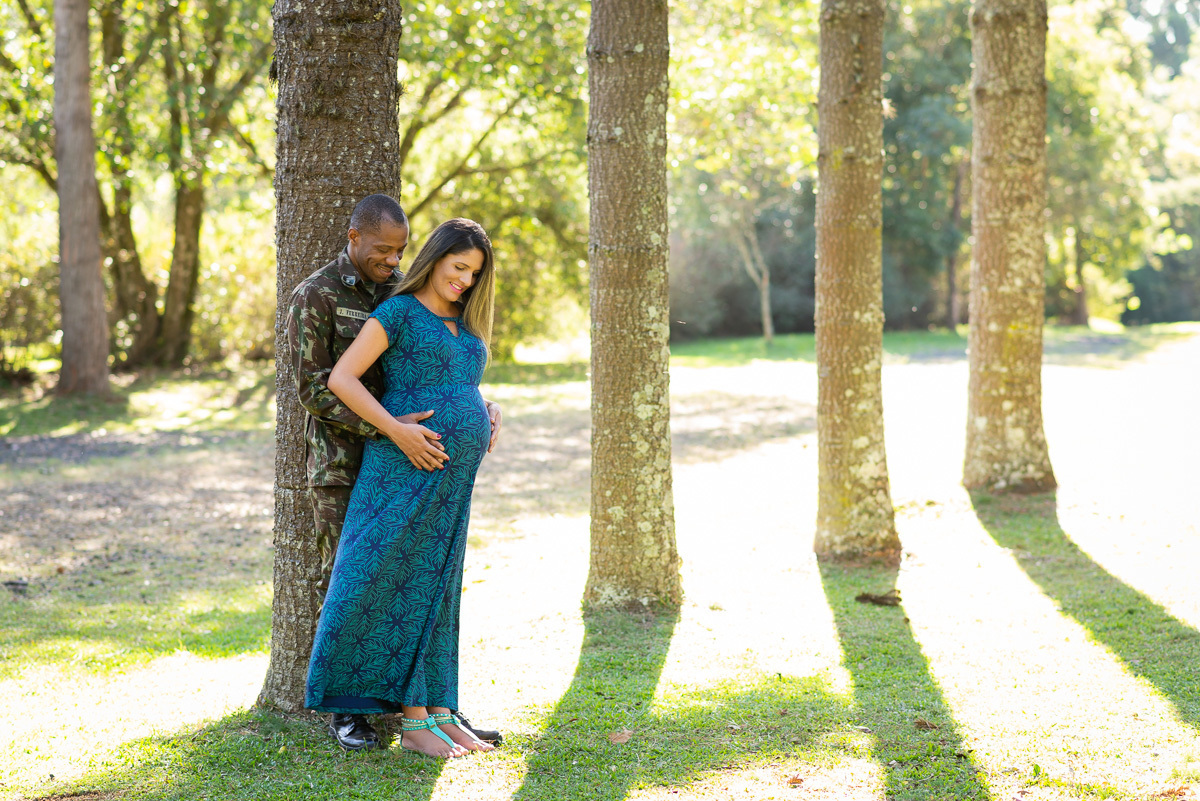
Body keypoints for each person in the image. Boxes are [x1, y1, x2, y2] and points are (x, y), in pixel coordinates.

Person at [286, 198, 500, 752]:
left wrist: (482, 410)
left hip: (440, 473)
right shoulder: (322, 295)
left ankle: (434, 706)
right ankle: (356, 712)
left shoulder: (406, 293)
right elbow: (325, 382)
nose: (392, 259)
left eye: (399, 251)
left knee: (433, 584)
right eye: (383, 249)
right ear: (353, 236)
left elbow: (446, 374)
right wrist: (392, 430)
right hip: (359, 460)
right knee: (361, 585)